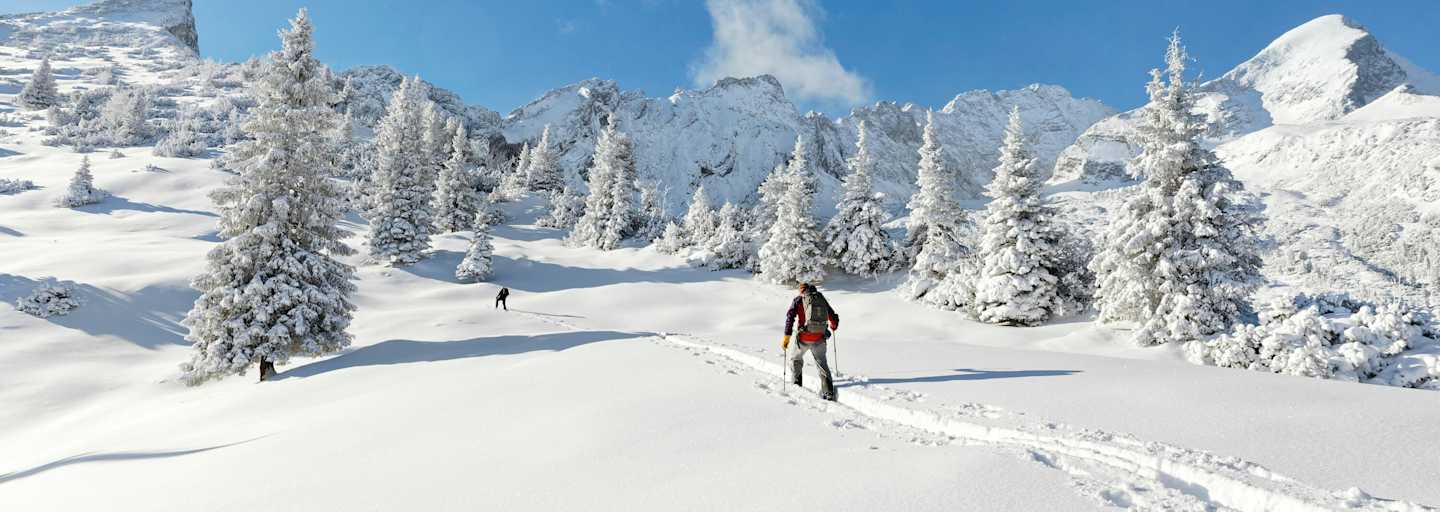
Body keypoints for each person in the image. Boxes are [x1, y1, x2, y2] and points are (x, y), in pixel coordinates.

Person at [782, 283, 839, 401]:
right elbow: (833, 316)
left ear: (802, 291)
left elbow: (790, 318)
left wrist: (786, 337)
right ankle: (828, 392)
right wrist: (833, 327)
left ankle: (797, 385)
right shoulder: (821, 299)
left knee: (796, 359)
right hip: (820, 338)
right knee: (822, 363)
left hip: (803, 338)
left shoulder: (798, 300)